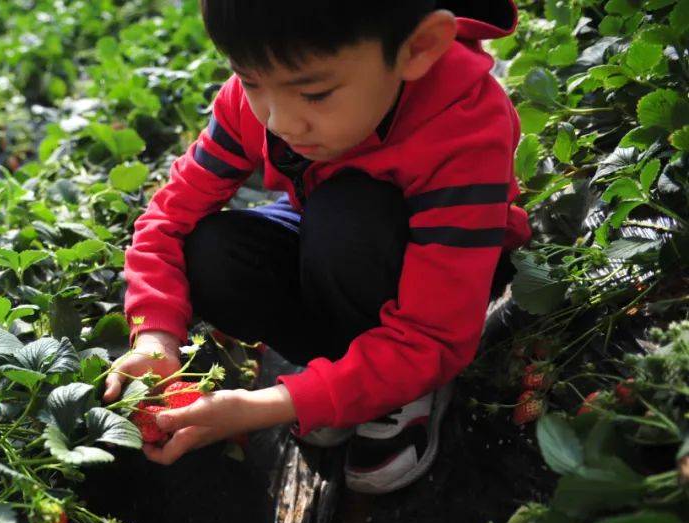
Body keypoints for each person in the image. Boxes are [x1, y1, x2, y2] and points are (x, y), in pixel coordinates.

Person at [102, 0, 531, 494]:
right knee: (214, 253)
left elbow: (435, 334)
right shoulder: (268, 92)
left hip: (438, 280)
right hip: (330, 240)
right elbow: (166, 219)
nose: (280, 121)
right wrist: (154, 336)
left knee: (347, 217)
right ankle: (340, 374)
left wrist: (265, 407)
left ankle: (404, 395)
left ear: (418, 48)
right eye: (251, 80)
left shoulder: (463, 125)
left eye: (317, 94)